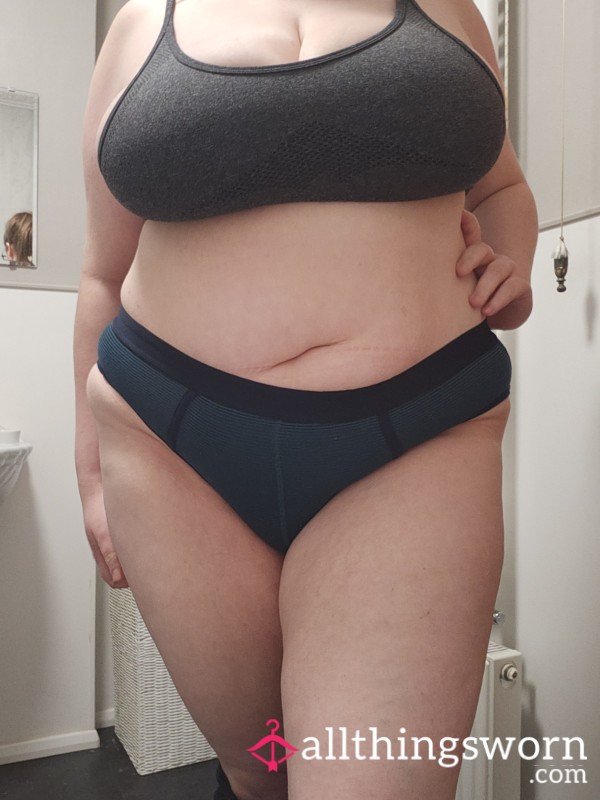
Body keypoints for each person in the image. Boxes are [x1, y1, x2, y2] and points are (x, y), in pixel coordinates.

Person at [74, 1, 537, 798]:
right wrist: (91, 479)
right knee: (262, 769)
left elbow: (503, 188)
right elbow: (100, 276)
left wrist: (512, 262)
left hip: (417, 437)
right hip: (169, 443)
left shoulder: (445, 9)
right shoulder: (144, 22)